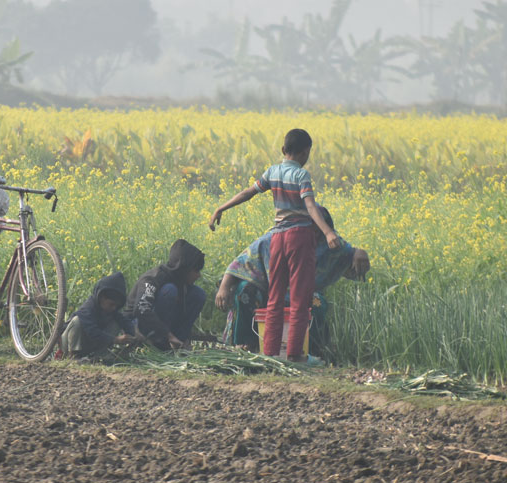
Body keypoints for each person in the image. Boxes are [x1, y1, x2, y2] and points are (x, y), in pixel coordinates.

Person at [209, 128, 341, 362]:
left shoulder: (272, 172)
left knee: (275, 297)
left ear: (283, 150)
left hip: (277, 238)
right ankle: (295, 355)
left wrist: (221, 207)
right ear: (306, 152)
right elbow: (310, 207)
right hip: (299, 236)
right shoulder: (302, 176)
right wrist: (328, 232)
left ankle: (269, 353)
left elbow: (247, 193)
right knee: (301, 298)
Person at [214, 206, 370, 354]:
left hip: (303, 294)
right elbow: (239, 263)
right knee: (244, 291)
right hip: (267, 292)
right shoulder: (274, 238)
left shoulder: (326, 243)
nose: (312, 233)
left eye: (317, 229)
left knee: (318, 303)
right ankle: (245, 344)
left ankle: (312, 349)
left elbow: (352, 255)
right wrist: (224, 287)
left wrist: (359, 252)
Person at [125, 239, 207, 350]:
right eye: (196, 271)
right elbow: (141, 310)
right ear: (185, 269)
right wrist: (168, 336)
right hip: (138, 325)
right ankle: (159, 344)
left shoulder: (182, 282)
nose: (199, 275)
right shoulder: (152, 279)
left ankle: (179, 344)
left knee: (199, 294)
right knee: (170, 290)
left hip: (163, 328)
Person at [61, 271, 139, 359]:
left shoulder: (111, 311)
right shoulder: (88, 308)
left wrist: (134, 335)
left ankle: (100, 357)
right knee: (77, 321)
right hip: (68, 345)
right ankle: (73, 356)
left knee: (117, 322)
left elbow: (124, 321)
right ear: (102, 297)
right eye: (111, 304)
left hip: (88, 346)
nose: (114, 308)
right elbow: (92, 331)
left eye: (116, 306)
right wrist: (116, 339)